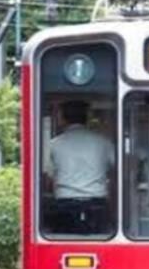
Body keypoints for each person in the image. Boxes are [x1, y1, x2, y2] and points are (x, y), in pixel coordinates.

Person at [43, 100, 115, 235]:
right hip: (97, 205)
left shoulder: (53, 144)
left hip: (64, 205)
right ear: (87, 118)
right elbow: (117, 173)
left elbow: (48, 179)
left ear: (62, 118)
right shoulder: (104, 142)